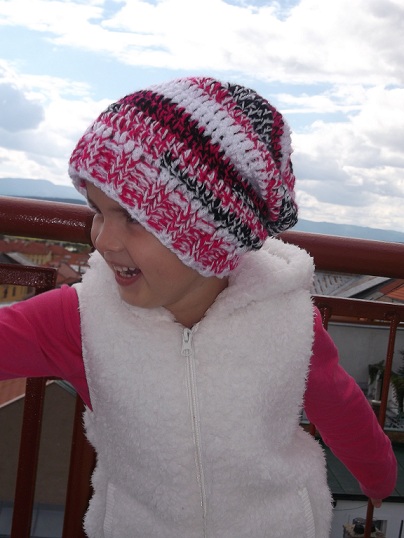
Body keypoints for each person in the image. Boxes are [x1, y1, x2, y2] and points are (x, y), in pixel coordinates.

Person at [0, 76, 396, 538]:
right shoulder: (81, 319)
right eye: (97, 211)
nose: (103, 240)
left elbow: (339, 404)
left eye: (133, 217)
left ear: (207, 239)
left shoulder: (286, 320)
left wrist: (378, 477)